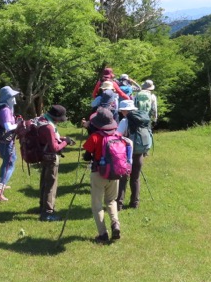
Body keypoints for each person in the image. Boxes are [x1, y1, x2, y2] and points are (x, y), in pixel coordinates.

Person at [82, 110, 122, 244]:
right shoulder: (118, 135)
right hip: (115, 173)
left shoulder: (95, 137)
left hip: (99, 173)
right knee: (111, 201)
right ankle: (115, 224)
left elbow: (87, 156)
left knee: (97, 205)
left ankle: (103, 234)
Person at [37, 104, 74, 221]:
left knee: (44, 182)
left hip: (43, 154)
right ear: (56, 117)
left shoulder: (41, 120)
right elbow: (55, 147)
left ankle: (42, 206)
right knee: (51, 185)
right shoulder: (49, 127)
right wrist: (66, 142)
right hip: (51, 156)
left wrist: (62, 138)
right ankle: (48, 212)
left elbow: (49, 138)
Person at [115, 99, 147, 210]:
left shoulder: (125, 121)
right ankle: (135, 203)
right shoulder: (142, 119)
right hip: (139, 152)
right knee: (135, 178)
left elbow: (117, 135)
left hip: (127, 152)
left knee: (123, 178)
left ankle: (119, 204)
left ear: (124, 110)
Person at [0, 85, 21, 202]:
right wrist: (19, 125)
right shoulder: (5, 110)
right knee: (10, 163)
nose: (14, 99)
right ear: (7, 97)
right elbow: (8, 127)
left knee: (6, 162)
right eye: (12, 96)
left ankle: (2, 183)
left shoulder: (1, 107)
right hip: (5, 141)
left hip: (1, 140)